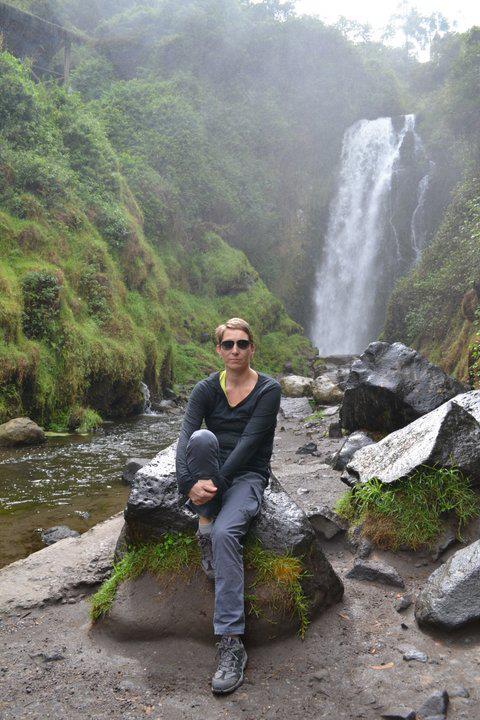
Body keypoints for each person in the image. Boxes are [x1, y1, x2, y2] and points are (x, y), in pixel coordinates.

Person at [175, 317, 281, 695]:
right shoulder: (205, 389)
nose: (235, 350)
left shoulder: (269, 389)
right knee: (202, 438)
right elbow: (185, 435)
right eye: (228, 344)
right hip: (209, 472)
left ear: (252, 348)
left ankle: (231, 643)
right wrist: (188, 485)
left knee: (226, 533)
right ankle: (204, 519)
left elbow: (251, 443)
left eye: (242, 344)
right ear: (218, 350)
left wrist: (215, 484)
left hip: (247, 475)